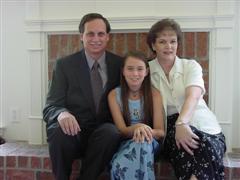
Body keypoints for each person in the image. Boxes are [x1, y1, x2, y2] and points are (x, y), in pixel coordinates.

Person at [43, 13, 123, 180]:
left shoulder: (119, 65)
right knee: (58, 130)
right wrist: (62, 114)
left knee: (111, 132)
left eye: (101, 34)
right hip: (74, 133)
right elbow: (51, 106)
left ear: (108, 37)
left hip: (103, 135)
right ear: (81, 36)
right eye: (90, 34)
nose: (96, 38)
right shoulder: (64, 65)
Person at [147, 18, 226, 180]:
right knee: (185, 149)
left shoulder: (191, 66)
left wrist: (182, 123)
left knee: (205, 144)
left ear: (178, 44)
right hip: (170, 128)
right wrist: (178, 127)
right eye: (162, 42)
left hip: (203, 125)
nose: (168, 46)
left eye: (173, 41)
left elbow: (194, 95)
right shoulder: (146, 70)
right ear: (153, 45)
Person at [108, 51, 165, 180]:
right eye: (130, 69)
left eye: (140, 69)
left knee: (142, 144)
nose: (135, 73)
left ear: (146, 71)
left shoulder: (154, 94)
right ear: (123, 71)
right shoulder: (114, 95)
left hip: (149, 142)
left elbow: (160, 132)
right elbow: (122, 131)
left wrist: (144, 131)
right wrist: (136, 127)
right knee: (119, 164)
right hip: (126, 143)